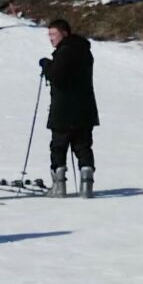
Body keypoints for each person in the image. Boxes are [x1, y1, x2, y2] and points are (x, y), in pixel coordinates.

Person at [40, 19, 98, 198]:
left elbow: (57, 76)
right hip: (85, 109)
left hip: (63, 110)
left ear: (64, 33)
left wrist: (46, 65)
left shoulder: (64, 52)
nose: (50, 38)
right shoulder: (85, 51)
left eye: (53, 34)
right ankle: (87, 183)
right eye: (49, 35)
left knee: (58, 146)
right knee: (83, 146)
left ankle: (59, 186)